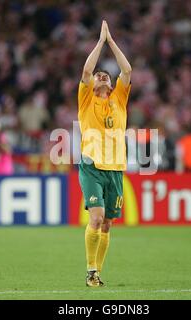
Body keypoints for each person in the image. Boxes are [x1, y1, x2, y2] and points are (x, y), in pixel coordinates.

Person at [78, 21, 132, 287]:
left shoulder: (119, 99)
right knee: (96, 218)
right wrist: (100, 42)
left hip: (115, 169)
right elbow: (87, 70)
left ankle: (97, 273)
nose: (101, 76)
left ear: (111, 84)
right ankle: (89, 270)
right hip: (91, 166)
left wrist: (112, 42)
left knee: (108, 224)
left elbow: (127, 69)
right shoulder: (87, 99)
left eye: (105, 76)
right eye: (99, 76)